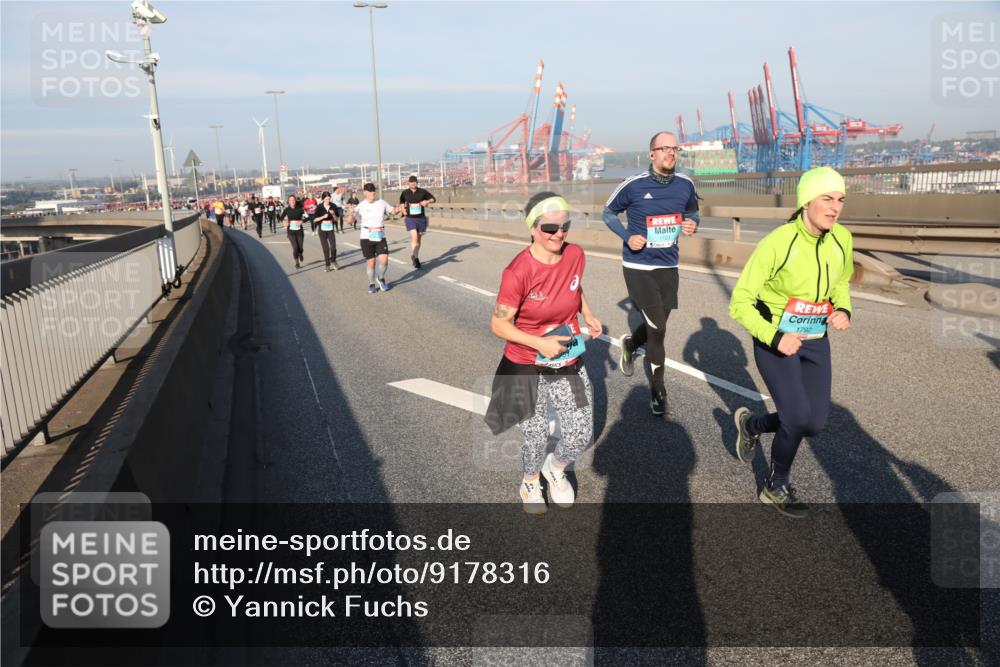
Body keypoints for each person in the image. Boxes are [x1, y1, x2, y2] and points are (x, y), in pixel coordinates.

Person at [730, 166, 853, 518]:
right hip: (776, 339)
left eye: (840, 199)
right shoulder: (778, 243)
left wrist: (843, 308)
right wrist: (775, 336)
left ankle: (751, 425)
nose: (835, 208)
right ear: (805, 202)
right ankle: (775, 485)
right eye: (826, 199)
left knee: (814, 423)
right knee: (796, 418)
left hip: (815, 338)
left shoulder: (841, 238)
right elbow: (739, 301)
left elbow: (842, 280)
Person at [484, 192, 602, 515]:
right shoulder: (518, 272)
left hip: (567, 361)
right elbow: (498, 324)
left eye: (565, 226)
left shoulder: (575, 255)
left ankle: (556, 467)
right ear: (533, 228)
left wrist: (587, 314)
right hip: (525, 366)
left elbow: (574, 288)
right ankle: (530, 479)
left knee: (580, 432)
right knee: (534, 435)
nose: (560, 234)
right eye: (551, 228)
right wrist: (539, 343)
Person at [602, 131, 699, 418]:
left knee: (657, 325)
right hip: (638, 266)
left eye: (674, 148)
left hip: (669, 266)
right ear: (652, 154)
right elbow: (607, 213)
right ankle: (658, 392)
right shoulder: (633, 185)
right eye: (664, 148)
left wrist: (692, 224)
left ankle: (631, 344)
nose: (670, 153)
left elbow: (693, 213)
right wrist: (627, 235)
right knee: (658, 330)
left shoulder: (685, 185)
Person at [354, 183, 395, 293]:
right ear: (365, 193)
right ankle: (371, 283)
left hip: (380, 235)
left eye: (373, 191)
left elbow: (392, 210)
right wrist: (350, 213)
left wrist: (400, 209)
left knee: (384, 260)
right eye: (370, 191)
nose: (372, 193)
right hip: (366, 236)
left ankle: (381, 278)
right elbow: (351, 220)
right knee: (371, 263)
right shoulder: (360, 206)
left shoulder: (381, 203)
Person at [397, 175, 435, 269]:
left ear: (417, 183)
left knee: (418, 239)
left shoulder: (422, 192)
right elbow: (401, 202)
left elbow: (433, 199)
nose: (413, 183)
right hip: (410, 218)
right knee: (414, 236)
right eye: (411, 182)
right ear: (409, 183)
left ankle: (415, 255)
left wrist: (427, 202)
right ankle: (416, 259)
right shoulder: (405, 193)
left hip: (421, 218)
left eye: (415, 181)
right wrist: (403, 209)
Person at [314, 191, 341, 272]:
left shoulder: (333, 206)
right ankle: (327, 265)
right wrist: (322, 217)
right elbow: (315, 220)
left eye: (329, 199)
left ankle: (333, 260)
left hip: (330, 229)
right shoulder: (319, 207)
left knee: (333, 248)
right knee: (326, 249)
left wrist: (333, 214)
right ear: (323, 199)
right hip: (322, 230)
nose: (328, 201)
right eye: (326, 199)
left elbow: (336, 219)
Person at [281, 194, 306, 269]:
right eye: (290, 200)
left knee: (300, 247)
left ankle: (300, 253)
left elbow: (307, 217)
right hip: (291, 231)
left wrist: (302, 221)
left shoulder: (300, 209)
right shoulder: (286, 210)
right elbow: (281, 217)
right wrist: (284, 222)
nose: (292, 201)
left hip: (299, 230)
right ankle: (297, 262)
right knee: (295, 247)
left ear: (295, 201)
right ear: (288, 201)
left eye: (293, 200)